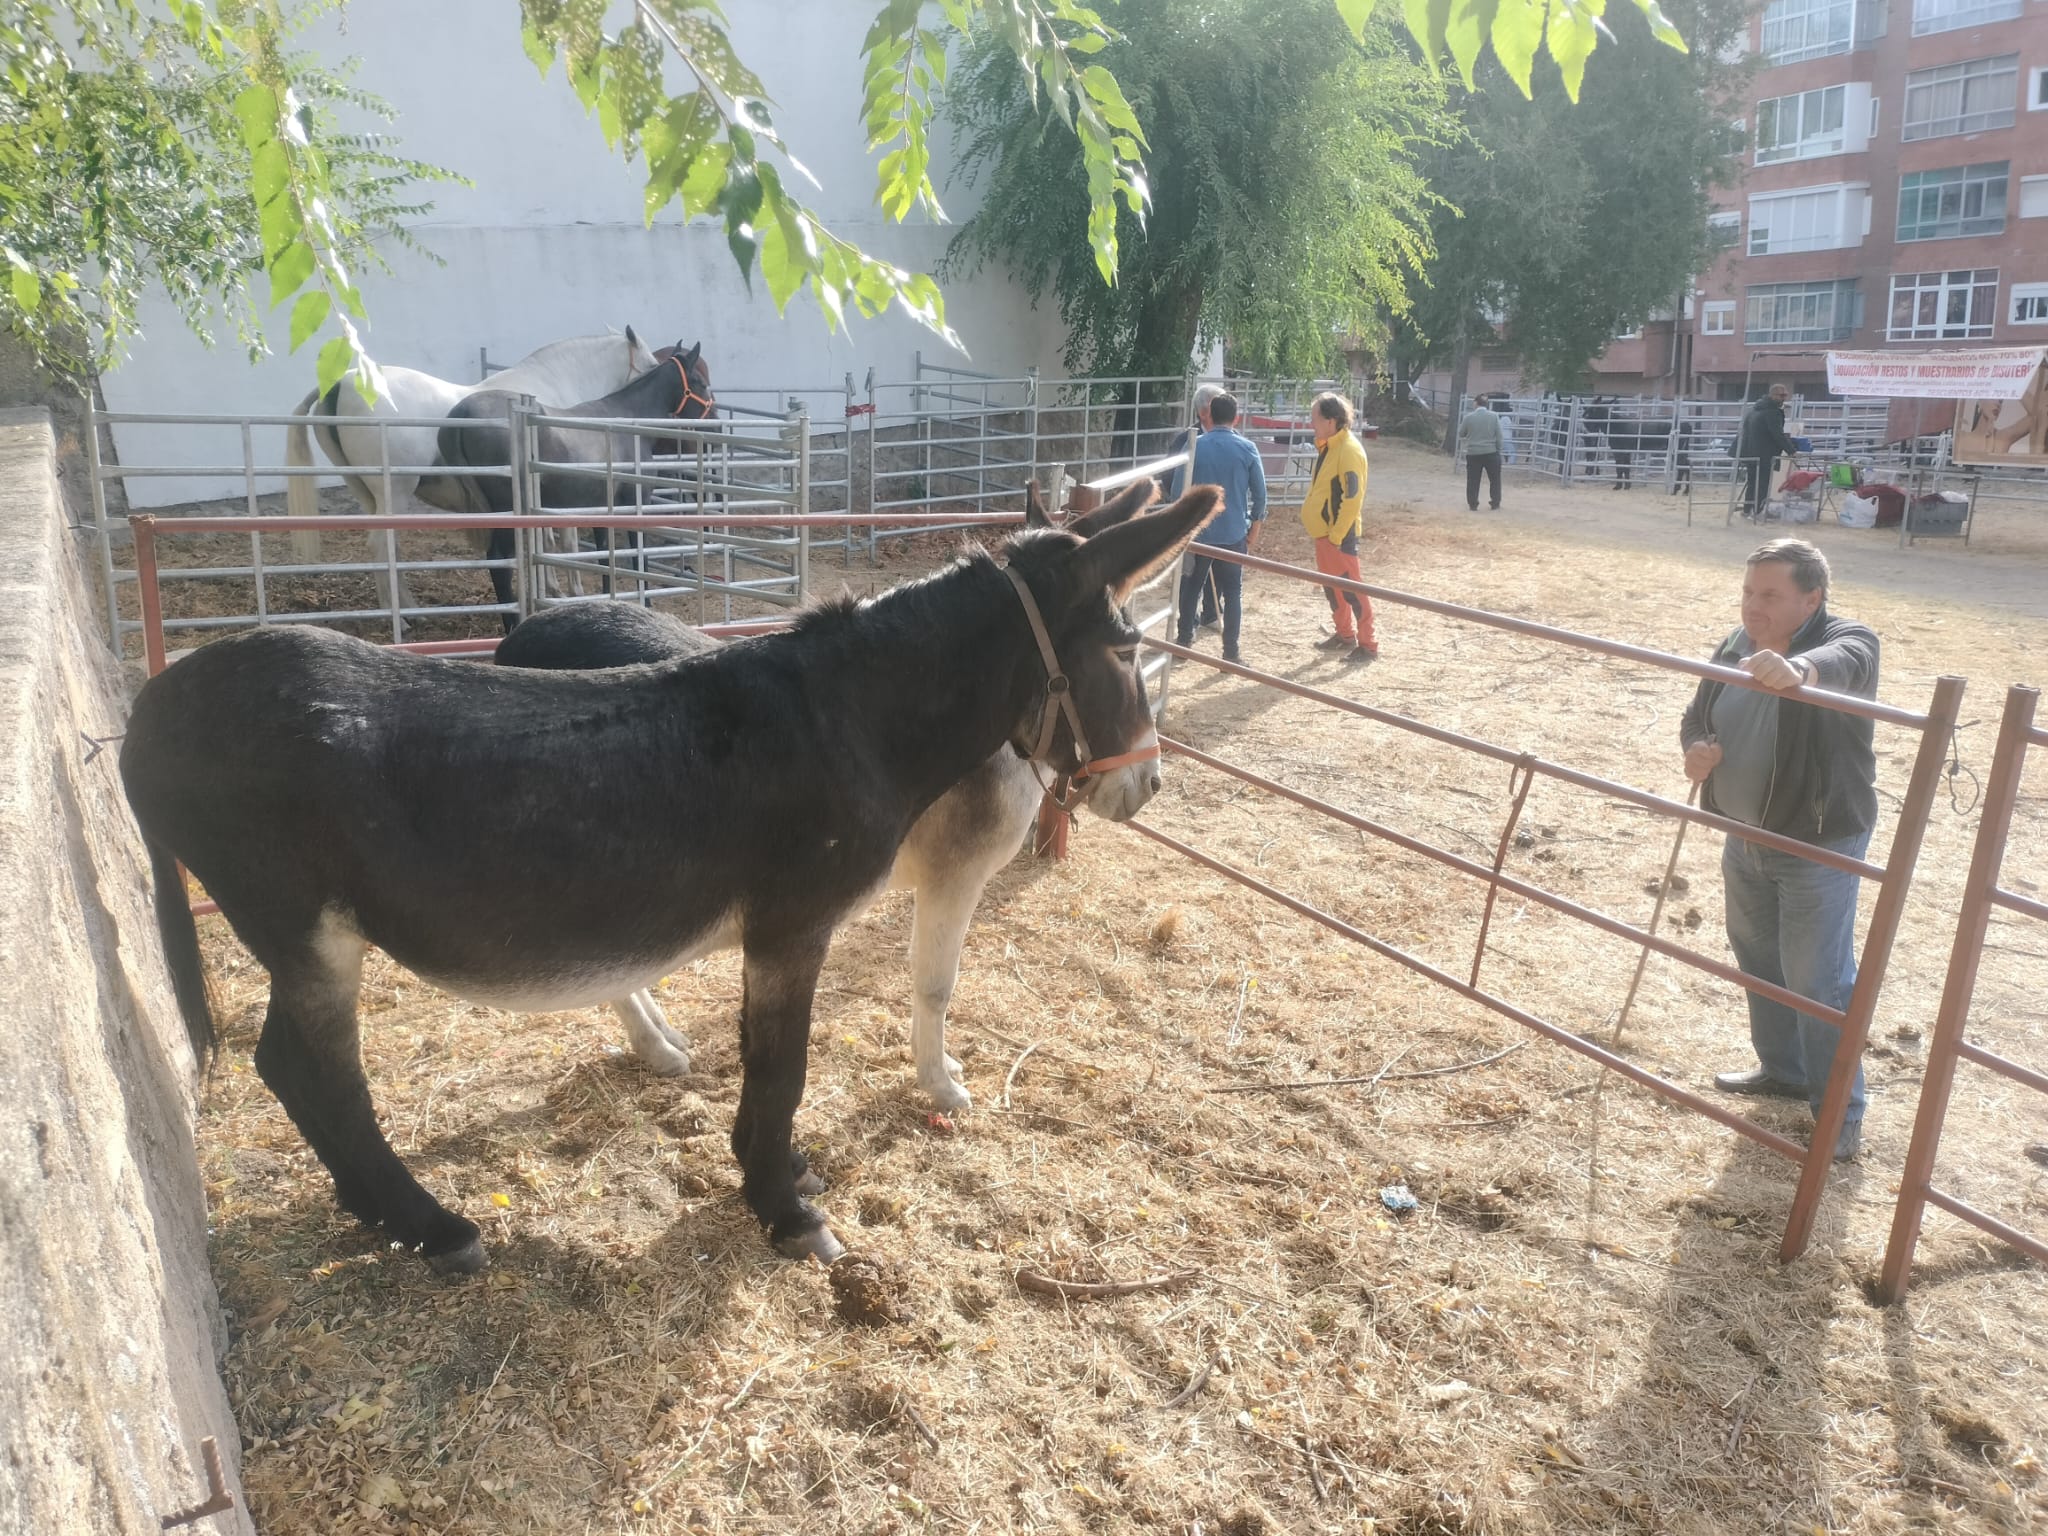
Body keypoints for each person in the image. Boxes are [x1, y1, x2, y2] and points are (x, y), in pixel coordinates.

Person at [1679, 539, 1879, 1161]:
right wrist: (1697, 750)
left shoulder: (1848, 639)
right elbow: (1697, 714)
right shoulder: (1735, 644)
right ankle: (1784, 1070)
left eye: (1770, 596)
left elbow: (1846, 657)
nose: (1753, 607)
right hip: (1746, 835)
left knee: (1817, 979)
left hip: (1817, 844)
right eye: (1748, 592)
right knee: (1759, 958)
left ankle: (1839, 1112)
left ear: (1811, 598)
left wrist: (1801, 671)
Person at [1171, 392, 1267, 663]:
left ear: (1209, 414)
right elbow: (1260, 495)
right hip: (1233, 532)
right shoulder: (1247, 448)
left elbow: (1177, 491)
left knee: (1191, 586)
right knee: (1233, 591)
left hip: (1199, 532)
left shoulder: (1193, 446)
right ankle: (1230, 653)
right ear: (1236, 418)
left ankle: (1183, 642)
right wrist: (1255, 527)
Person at [1298, 392, 1376, 662]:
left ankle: (1368, 645)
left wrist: (1336, 536)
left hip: (1338, 537)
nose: (1312, 423)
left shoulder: (1349, 451)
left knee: (1353, 591)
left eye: (1315, 418)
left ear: (1331, 421)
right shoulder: (1330, 446)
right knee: (1333, 589)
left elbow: (1353, 499)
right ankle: (1344, 635)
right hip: (1325, 535)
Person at [1163, 383, 1225, 629]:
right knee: (1189, 571)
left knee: (1219, 565)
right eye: (1217, 405)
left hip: (1220, 514)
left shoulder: (1229, 437)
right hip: (1192, 516)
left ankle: (1212, 611)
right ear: (1203, 412)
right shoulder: (1184, 440)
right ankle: (1189, 620)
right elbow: (1169, 476)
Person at [1735, 384, 1800, 522]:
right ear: (1773, 395)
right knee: (1762, 483)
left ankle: (1747, 510)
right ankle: (1757, 511)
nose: (1784, 398)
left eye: (1785, 395)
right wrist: (1791, 450)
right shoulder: (1772, 411)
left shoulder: (1754, 409)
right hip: (1764, 453)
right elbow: (1777, 434)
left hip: (1749, 451)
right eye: (1781, 395)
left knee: (1752, 482)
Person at [1457, 397, 1504, 511]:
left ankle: (1473, 503)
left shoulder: (1469, 418)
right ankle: (1495, 502)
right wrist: (1498, 448)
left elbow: (1461, 433)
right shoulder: (1494, 416)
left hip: (1473, 453)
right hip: (1491, 452)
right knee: (1495, 479)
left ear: (1475, 403)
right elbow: (1499, 435)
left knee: (1473, 479)